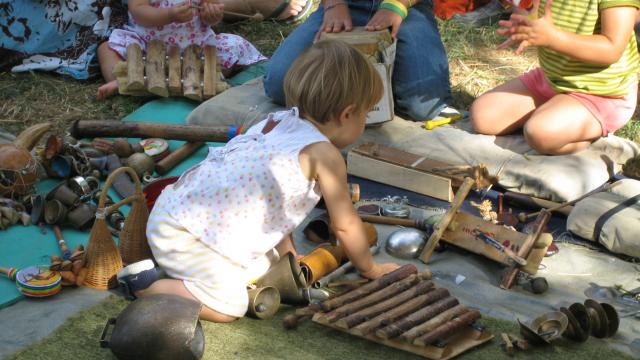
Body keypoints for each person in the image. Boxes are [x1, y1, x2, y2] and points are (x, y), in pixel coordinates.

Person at [116, 39, 400, 322]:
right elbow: (346, 224)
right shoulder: (325, 156)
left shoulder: (275, 120)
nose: (364, 123)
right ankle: (146, 286)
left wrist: (289, 257)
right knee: (231, 305)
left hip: (175, 213)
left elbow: (276, 204)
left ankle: (187, 273)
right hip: (186, 236)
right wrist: (370, 269)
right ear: (347, 113)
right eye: (366, 113)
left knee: (263, 267)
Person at [470, 0, 639, 155]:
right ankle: (557, 112)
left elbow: (612, 48)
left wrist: (552, 38)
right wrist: (525, 19)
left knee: (540, 133)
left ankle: (589, 133)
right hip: (553, 78)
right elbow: (530, 10)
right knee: (483, 116)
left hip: (603, 92)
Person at [264, 0, 453, 122]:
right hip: (344, 5)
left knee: (423, 108)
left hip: (407, 8)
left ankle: (384, 74)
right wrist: (334, 5)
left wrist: (395, 6)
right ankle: (366, 75)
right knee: (281, 84)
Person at [96, 0, 267, 99]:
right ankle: (123, 79)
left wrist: (211, 13)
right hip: (148, 46)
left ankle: (196, 77)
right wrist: (169, 15)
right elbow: (139, 11)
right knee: (107, 49)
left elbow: (211, 8)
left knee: (232, 45)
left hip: (194, 47)